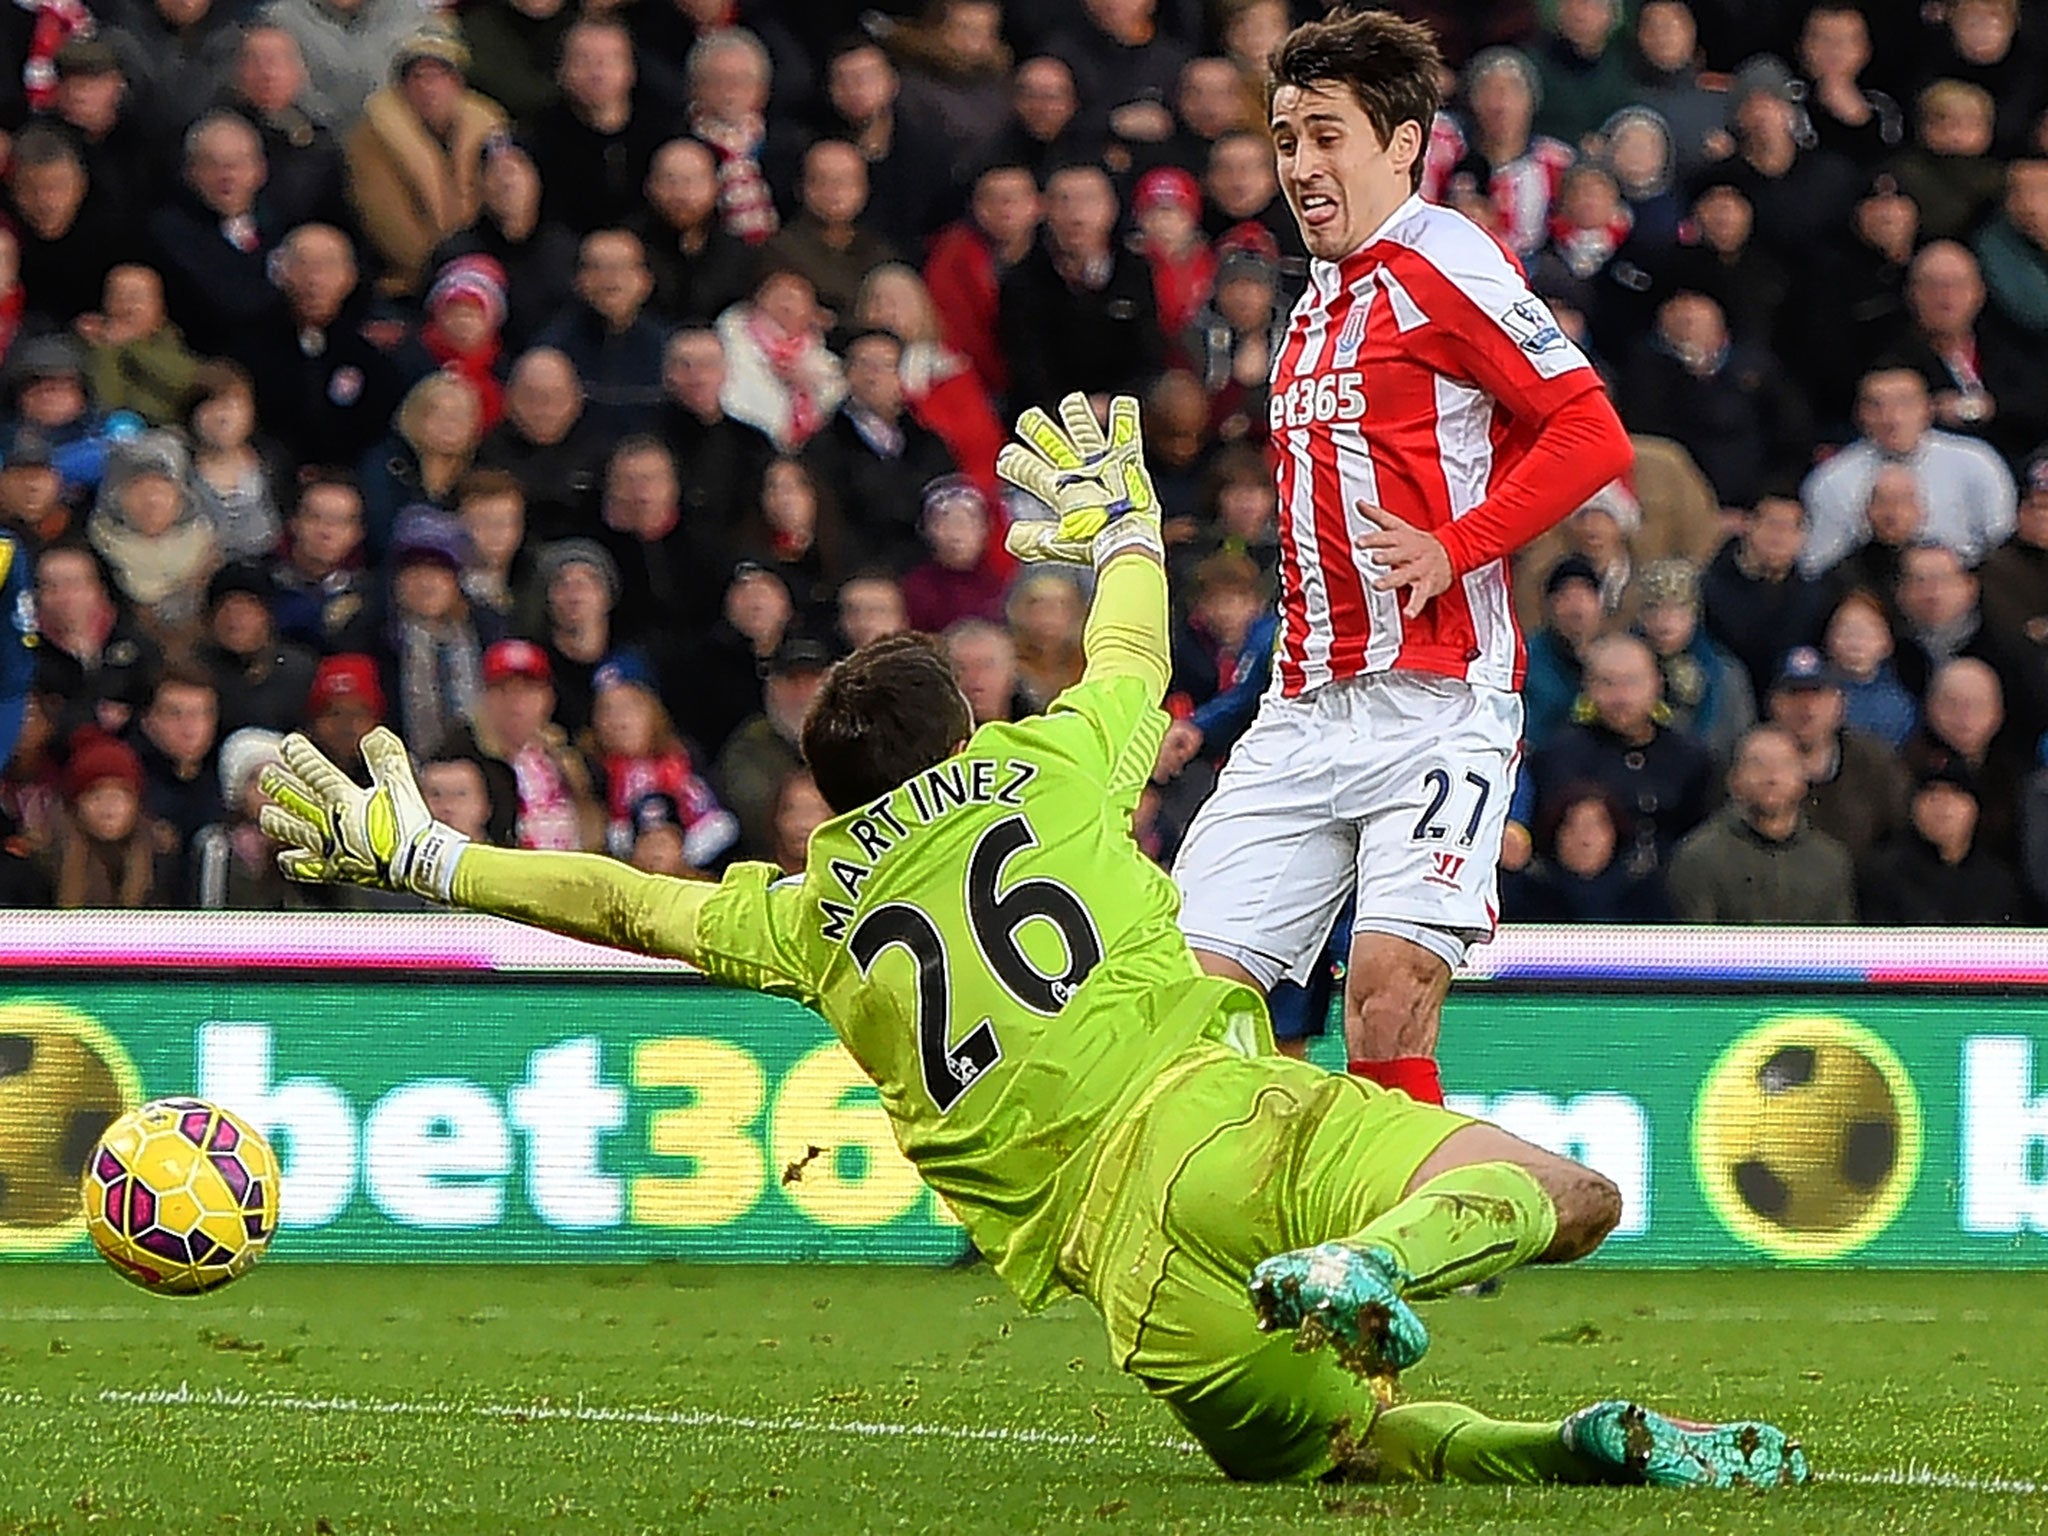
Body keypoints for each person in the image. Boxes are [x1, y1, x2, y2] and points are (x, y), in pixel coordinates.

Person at [258, 393, 1804, 1492]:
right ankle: (1376, 1257)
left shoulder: (807, 913)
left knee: (1350, 1442)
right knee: (1564, 1196)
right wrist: (1122, 524)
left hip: (1123, 1272)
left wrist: (427, 852)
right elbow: (1132, 640)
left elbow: (621, 902)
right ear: (963, 727)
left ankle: (1563, 1452)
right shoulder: (1057, 765)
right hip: (1216, 1123)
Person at [1169, 10, 1633, 1107]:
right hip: (1302, 706)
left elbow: (1586, 433)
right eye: (1285, 140)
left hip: (1435, 699)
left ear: (1400, 145)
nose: (1299, 165)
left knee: (1385, 987)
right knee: (1186, 993)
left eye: (1325, 135)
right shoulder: (1313, 304)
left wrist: (1457, 543)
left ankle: (1386, 1253)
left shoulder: (1445, 260)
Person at [1664, 725, 1858, 924]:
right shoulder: (1698, 857)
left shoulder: (1830, 861)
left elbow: (1839, 945)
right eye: (1758, 765)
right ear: (1734, 780)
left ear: (1803, 781)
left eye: (1784, 765)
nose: (1772, 778)